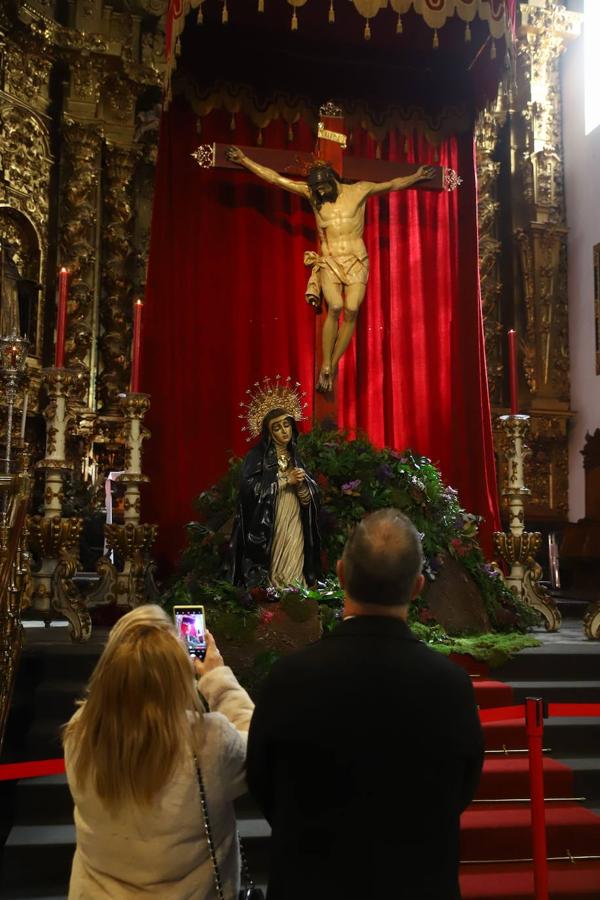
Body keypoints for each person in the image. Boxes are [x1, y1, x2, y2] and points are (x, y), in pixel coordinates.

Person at [247, 509, 484, 900]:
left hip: (310, 883)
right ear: (418, 587)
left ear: (340, 574)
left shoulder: (290, 677)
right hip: (417, 884)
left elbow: (262, 782)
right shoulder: (451, 686)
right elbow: (461, 789)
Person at [62, 604, 254, 899]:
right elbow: (257, 746)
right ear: (177, 674)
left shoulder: (82, 732)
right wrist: (217, 676)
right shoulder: (207, 740)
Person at [225, 146, 435, 392]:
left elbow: (391, 184)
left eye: (323, 188)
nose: (321, 193)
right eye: (317, 190)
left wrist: (417, 176)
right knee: (335, 306)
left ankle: (331, 366)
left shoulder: (359, 190)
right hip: (331, 260)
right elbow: (275, 178)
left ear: (331, 180)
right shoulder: (314, 197)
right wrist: (245, 160)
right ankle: (326, 362)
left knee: (353, 308)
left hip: (356, 259)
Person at [231, 403, 320, 589]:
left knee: (294, 549)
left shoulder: (296, 457)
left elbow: (307, 501)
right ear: (269, 433)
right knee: (277, 552)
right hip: (271, 515)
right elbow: (250, 490)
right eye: (277, 428)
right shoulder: (256, 457)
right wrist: (286, 480)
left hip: (294, 513)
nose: (284, 432)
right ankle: (276, 590)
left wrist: (302, 485)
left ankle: (295, 590)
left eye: (286, 425)